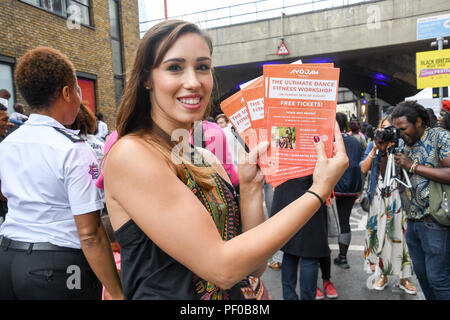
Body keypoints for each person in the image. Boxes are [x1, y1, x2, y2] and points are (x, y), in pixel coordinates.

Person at [102, 19, 349, 300]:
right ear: (146, 78)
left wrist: (250, 187)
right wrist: (317, 191)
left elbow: (252, 268)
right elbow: (222, 269)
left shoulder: (206, 158)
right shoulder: (132, 155)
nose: (193, 82)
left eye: (203, 67)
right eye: (174, 67)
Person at [0, 47, 123, 300]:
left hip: (7, 257)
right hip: (56, 267)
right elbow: (90, 234)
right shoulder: (73, 148)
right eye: (78, 89)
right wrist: (116, 291)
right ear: (67, 93)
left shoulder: (8, 143)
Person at [391, 101, 450, 300]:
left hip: (435, 219)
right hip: (413, 220)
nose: (401, 134)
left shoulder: (439, 137)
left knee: (438, 278)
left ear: (418, 122)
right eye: (397, 130)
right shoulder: (402, 144)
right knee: (423, 276)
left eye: (404, 128)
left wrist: (413, 166)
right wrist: (384, 152)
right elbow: (387, 177)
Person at [360, 116, 416, 294]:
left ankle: (404, 277)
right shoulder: (375, 145)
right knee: (380, 233)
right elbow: (363, 168)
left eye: (390, 128)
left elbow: (409, 171)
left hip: (398, 195)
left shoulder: (403, 145)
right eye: (384, 128)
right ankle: (382, 273)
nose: (387, 132)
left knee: (401, 234)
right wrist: (376, 149)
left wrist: (396, 152)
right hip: (379, 195)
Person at [270, 175, 338, 300]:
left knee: (289, 252)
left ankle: (289, 297)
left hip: (286, 197)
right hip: (312, 195)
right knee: (310, 256)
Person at [333, 112, 363, 269]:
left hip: (332, 189)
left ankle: (319, 258)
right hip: (351, 188)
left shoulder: (329, 141)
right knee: (345, 221)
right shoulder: (355, 141)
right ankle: (343, 257)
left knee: (325, 223)